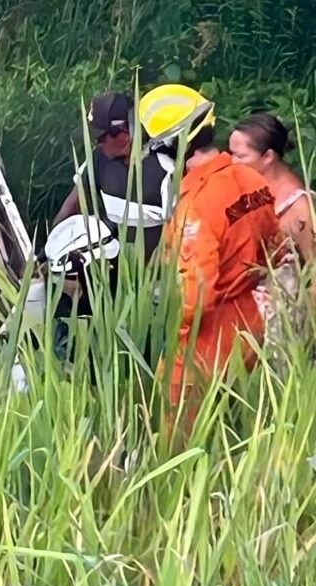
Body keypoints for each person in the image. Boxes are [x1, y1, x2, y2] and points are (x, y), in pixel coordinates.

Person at [139, 84, 283, 439]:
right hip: (253, 318)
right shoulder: (249, 177)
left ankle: (178, 488)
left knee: (175, 433)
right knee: (234, 423)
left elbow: (195, 291)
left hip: (208, 333)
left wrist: (176, 336)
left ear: (172, 145)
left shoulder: (196, 203)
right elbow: (275, 248)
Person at [52, 91, 174, 262]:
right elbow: (73, 204)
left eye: (101, 138)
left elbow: (180, 232)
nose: (97, 144)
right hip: (111, 268)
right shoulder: (99, 159)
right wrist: (48, 250)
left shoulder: (164, 167)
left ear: (124, 131)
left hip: (158, 274)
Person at [230, 113, 315, 262]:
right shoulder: (243, 184)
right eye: (232, 153)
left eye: (241, 156)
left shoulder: (298, 207)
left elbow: (313, 264)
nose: (232, 162)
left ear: (268, 156)